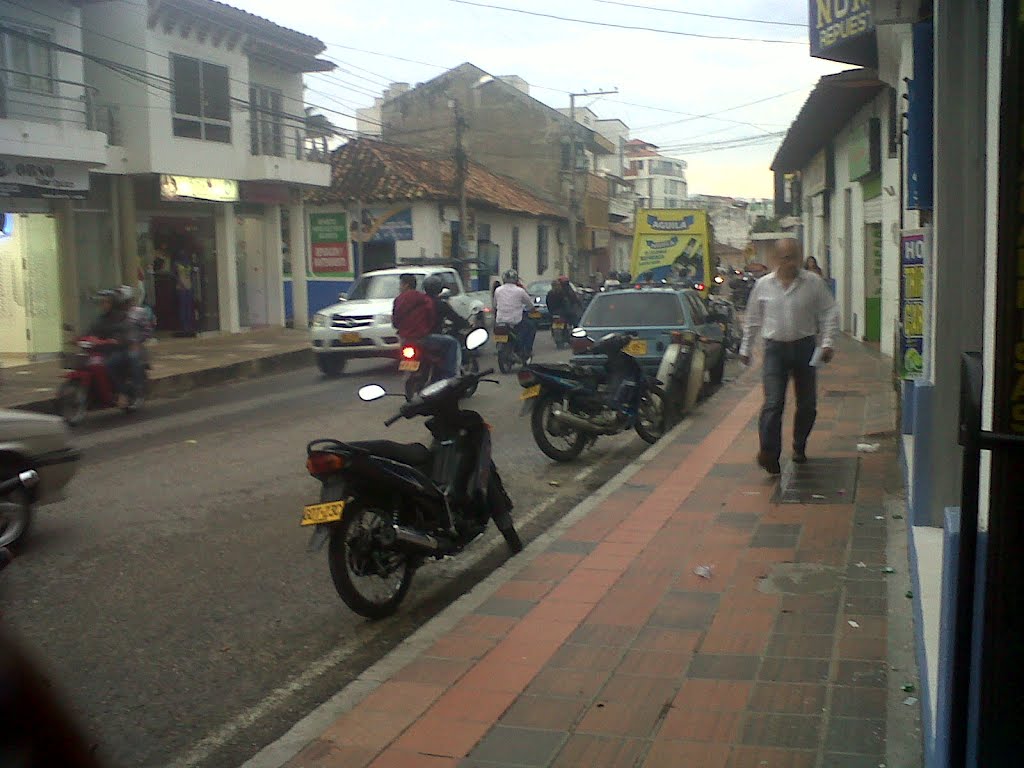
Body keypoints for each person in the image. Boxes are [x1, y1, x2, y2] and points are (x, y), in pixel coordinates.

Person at [739, 239, 838, 475]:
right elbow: (752, 318)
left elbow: (829, 311)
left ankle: (799, 445)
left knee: (807, 404)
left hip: (805, 348)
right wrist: (745, 349)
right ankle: (769, 453)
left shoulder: (813, 283)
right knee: (773, 403)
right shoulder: (763, 286)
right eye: (785, 257)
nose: (790, 262)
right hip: (775, 350)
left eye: (794, 256)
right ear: (775, 259)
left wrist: (827, 343)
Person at [87, 290, 131, 404]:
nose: (103, 305)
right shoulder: (100, 319)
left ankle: (122, 392)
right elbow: (91, 331)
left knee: (109, 365)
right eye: (102, 302)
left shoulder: (121, 317)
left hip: (119, 350)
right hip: (102, 350)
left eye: (106, 302)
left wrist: (115, 340)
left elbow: (124, 332)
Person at [422, 275, 466, 380]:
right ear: (439, 288)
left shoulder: (420, 301)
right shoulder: (440, 304)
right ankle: (451, 375)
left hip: (413, 336)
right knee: (453, 343)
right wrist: (466, 324)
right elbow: (455, 318)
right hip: (431, 337)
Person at [493, 269, 535, 360]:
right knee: (531, 326)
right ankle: (527, 350)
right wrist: (532, 309)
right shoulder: (520, 291)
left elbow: (495, 305)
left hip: (500, 320)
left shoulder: (498, 290)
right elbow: (530, 304)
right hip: (515, 320)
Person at [392, 272, 436, 349]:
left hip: (405, 339)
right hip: (422, 338)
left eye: (400, 285)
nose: (399, 287)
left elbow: (395, 322)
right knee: (452, 342)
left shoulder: (398, 300)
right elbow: (431, 318)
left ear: (406, 285)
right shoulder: (424, 299)